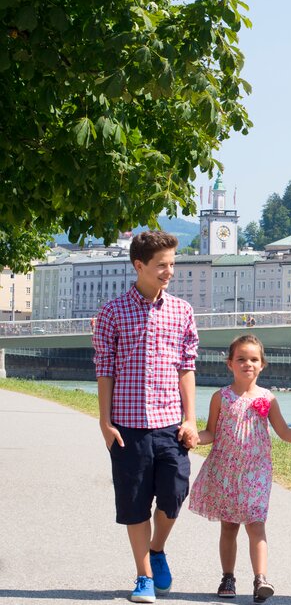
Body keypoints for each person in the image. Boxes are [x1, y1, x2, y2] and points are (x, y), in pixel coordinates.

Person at [92, 231, 200, 604]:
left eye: (172, 264)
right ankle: (144, 577)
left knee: (173, 494)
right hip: (127, 425)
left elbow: (187, 367)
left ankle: (157, 548)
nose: (169, 271)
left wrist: (190, 418)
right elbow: (104, 369)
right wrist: (105, 423)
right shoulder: (111, 312)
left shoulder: (182, 311)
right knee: (135, 502)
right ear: (139, 266)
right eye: (161, 265)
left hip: (171, 422)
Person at [189, 335, 291, 603]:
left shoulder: (267, 399)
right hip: (225, 470)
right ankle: (228, 577)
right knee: (229, 527)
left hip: (256, 472)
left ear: (262, 365)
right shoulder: (220, 397)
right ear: (230, 364)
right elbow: (211, 432)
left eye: (254, 359)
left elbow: (283, 432)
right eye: (241, 359)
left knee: (256, 525)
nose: (248, 363)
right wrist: (192, 438)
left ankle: (261, 580)